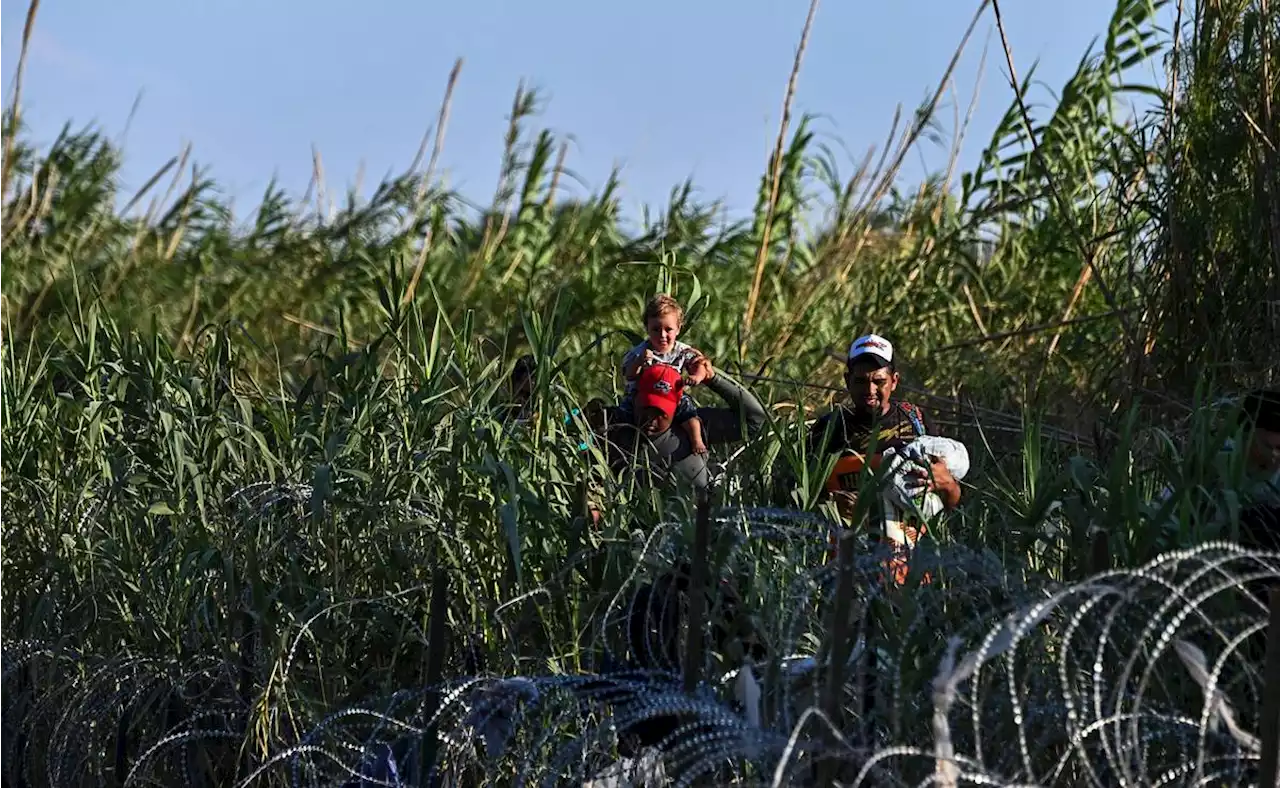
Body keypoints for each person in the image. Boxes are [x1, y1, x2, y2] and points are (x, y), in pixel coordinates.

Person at [807, 333, 963, 585]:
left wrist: (947, 485)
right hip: (847, 567)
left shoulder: (917, 423)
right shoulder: (829, 429)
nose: (869, 390)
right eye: (860, 381)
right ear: (847, 380)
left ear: (894, 381)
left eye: (879, 381)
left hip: (909, 568)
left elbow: (952, 501)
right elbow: (801, 497)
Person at [604, 354, 766, 492]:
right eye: (646, 409)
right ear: (634, 399)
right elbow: (583, 449)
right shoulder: (615, 428)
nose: (651, 419)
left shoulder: (695, 427)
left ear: (676, 408)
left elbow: (755, 420)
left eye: (661, 413)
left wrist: (713, 379)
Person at [619, 294, 709, 455]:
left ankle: (697, 440)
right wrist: (639, 362)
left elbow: (700, 364)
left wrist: (697, 377)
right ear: (647, 327)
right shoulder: (640, 351)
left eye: (668, 329)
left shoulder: (682, 351)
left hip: (672, 395)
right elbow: (629, 375)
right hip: (642, 394)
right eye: (656, 329)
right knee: (623, 413)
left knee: (690, 414)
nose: (662, 335)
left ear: (679, 328)